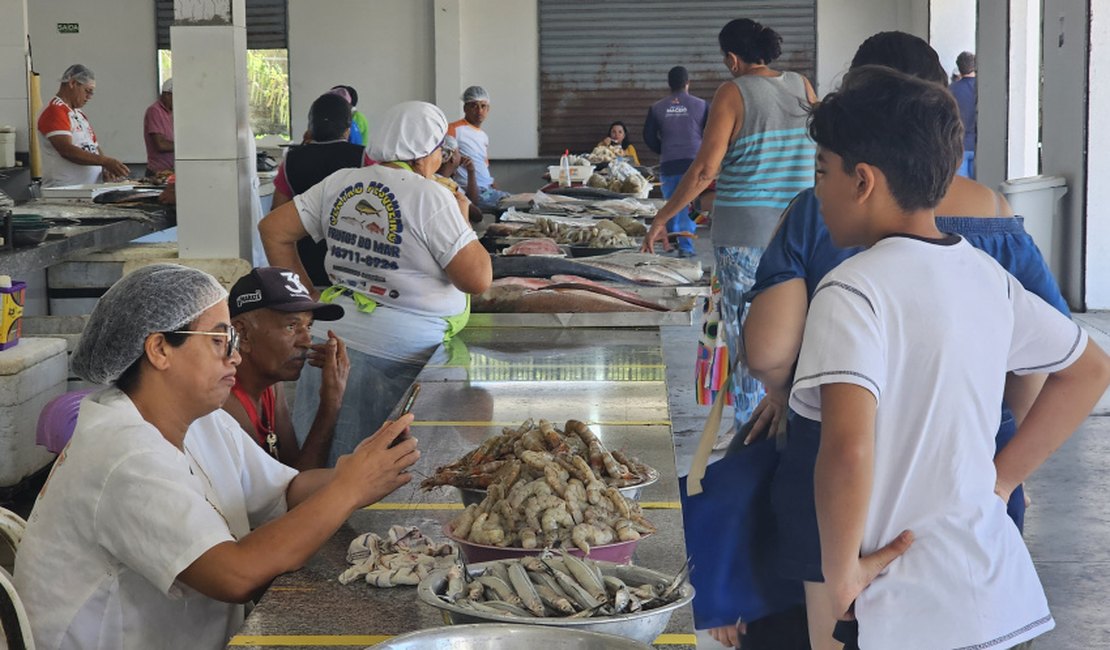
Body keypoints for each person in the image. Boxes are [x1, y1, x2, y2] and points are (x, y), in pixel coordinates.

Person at [741, 33, 1067, 649]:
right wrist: (996, 459)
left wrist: (789, 393)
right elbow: (1059, 361)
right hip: (972, 486)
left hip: (847, 509)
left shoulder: (826, 224)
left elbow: (771, 353)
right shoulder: (996, 221)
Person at [13, 263, 419, 649]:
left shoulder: (203, 421)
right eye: (220, 341)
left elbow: (288, 489)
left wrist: (363, 466)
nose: (236, 357)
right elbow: (234, 574)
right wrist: (347, 489)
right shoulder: (122, 455)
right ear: (160, 349)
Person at [259, 100, 492, 466]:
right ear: (423, 154)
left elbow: (272, 229)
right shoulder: (431, 197)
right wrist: (462, 222)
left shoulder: (342, 182)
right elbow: (477, 279)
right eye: (439, 152)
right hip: (404, 353)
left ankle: (316, 518)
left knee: (322, 456)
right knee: (384, 471)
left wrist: (308, 304)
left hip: (331, 338)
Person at [642, 18, 816, 429]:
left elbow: (704, 169)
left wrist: (664, 216)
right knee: (795, 332)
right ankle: (791, 425)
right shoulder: (802, 85)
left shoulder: (732, 92)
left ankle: (749, 435)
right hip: (799, 233)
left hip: (745, 239)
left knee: (748, 340)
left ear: (732, 59)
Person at [223, 267, 350, 470]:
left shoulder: (271, 385)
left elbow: (293, 470)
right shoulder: (222, 403)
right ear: (242, 334)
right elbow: (290, 495)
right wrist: (330, 403)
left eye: (308, 326)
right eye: (291, 326)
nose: (307, 341)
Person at [273, 93, 372, 287]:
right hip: (352, 260)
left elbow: (277, 211)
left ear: (311, 126)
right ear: (347, 128)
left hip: (305, 262)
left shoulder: (291, 160)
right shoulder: (362, 158)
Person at [643, 65, 709, 257]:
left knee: (670, 203)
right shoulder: (701, 105)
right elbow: (714, 133)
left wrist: (663, 149)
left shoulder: (657, 107)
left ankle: (669, 243)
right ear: (688, 83)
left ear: (669, 84)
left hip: (669, 164)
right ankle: (686, 247)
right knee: (689, 205)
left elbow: (648, 136)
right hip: (694, 164)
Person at [37, 64, 130, 187]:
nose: (89, 97)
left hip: (85, 188)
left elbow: (94, 146)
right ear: (72, 83)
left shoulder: (78, 114)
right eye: (87, 91)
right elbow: (66, 150)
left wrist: (105, 167)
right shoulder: (55, 111)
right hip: (64, 189)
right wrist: (105, 161)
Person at [448, 85, 509, 211]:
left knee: (520, 201)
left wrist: (493, 185)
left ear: (488, 109)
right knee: (519, 204)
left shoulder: (483, 136)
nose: (479, 110)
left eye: (483, 106)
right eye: (474, 106)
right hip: (470, 190)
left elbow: (483, 166)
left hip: (487, 189)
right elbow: (445, 160)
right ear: (465, 108)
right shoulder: (454, 129)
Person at [436, 135, 482, 224]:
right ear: (452, 157)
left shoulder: (444, 179)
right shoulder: (444, 184)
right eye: (459, 152)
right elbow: (477, 215)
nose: (461, 156)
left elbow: (473, 201)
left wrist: (471, 172)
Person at [950, 51, 977, 179]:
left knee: (962, 189)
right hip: (980, 144)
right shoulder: (983, 88)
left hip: (958, 146)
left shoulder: (950, 90)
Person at [143, 78, 174, 174]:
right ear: (167, 95)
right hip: (158, 173)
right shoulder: (155, 111)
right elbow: (161, 145)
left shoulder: (172, 113)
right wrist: (185, 146)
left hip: (171, 171)